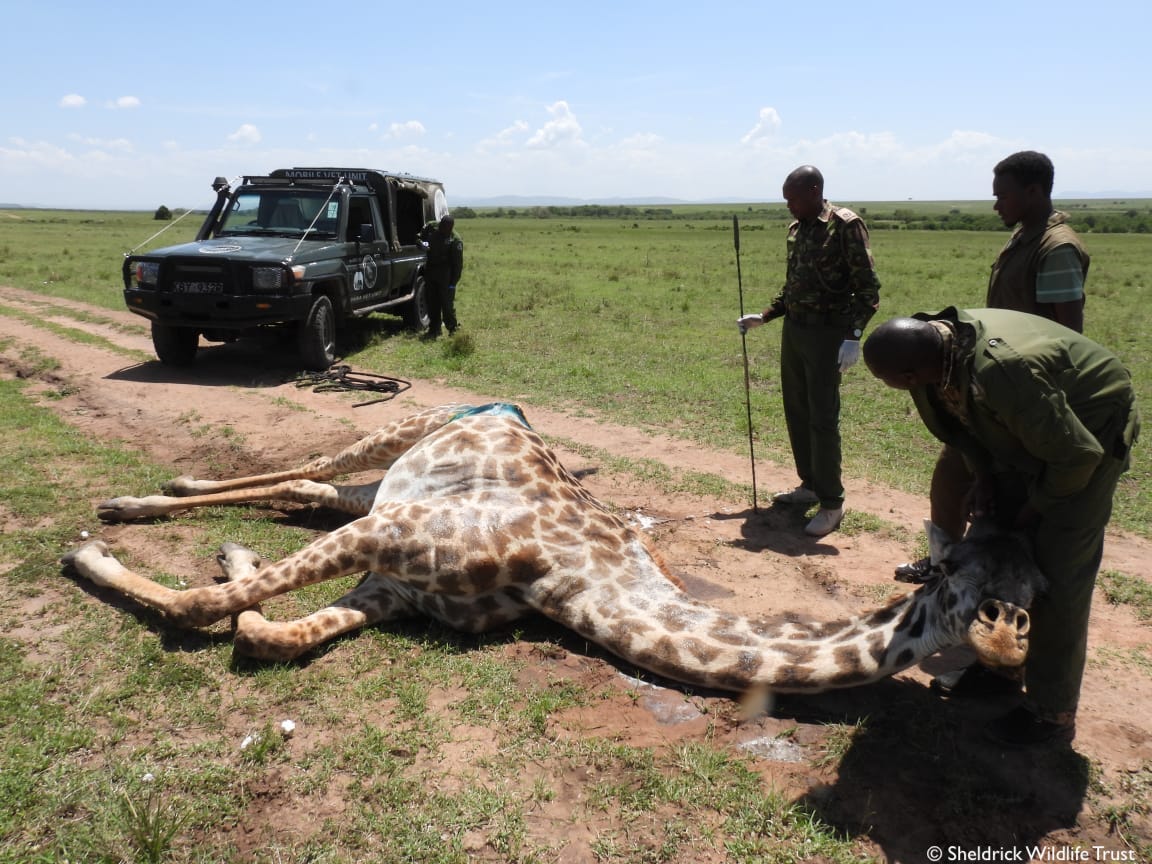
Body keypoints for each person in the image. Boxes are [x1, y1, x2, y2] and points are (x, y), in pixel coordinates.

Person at [862, 309, 1140, 747]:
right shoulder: (933, 358)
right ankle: (1003, 669)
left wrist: (1035, 506)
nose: (885, 385)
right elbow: (961, 426)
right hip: (1033, 425)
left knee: (1057, 573)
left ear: (911, 373)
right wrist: (985, 477)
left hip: (1089, 433)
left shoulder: (1005, 372)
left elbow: (1077, 455)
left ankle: (1052, 714)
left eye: (886, 379)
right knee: (994, 555)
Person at [895, 151, 1091, 584]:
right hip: (992, 381)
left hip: (1024, 395)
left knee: (999, 498)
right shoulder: (1025, 236)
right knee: (951, 476)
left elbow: (1069, 338)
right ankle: (944, 564)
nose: (996, 204)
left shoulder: (1055, 248)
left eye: (1002, 195)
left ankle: (988, 584)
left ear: (1033, 191)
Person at [738, 165, 881, 537]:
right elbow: (794, 285)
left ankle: (832, 503)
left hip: (827, 334)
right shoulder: (797, 229)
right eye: (786, 199)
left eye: (794, 198)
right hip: (796, 331)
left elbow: (868, 288)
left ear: (815, 190)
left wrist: (853, 335)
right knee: (797, 411)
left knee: (822, 418)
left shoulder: (845, 225)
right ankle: (810, 486)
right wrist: (766, 316)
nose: (789, 206)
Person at [419, 214, 464, 338]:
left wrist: (453, 284)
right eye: (442, 227)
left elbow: (458, 265)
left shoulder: (455, 240)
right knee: (432, 301)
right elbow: (420, 237)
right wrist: (422, 243)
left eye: (446, 228)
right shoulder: (432, 227)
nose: (443, 230)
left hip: (446, 274)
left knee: (447, 304)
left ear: (451, 228)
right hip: (431, 270)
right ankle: (434, 329)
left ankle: (453, 329)